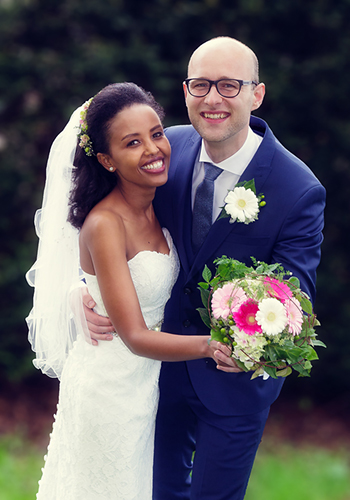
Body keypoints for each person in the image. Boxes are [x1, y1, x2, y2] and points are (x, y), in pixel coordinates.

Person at [85, 37, 326, 499]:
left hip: (233, 387)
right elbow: (109, 225)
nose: (212, 99)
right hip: (153, 373)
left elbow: (295, 296)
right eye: (200, 85)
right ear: (185, 91)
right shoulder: (161, 150)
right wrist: (86, 287)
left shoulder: (298, 189)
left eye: (229, 86)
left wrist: (257, 344)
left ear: (256, 95)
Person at [26, 82, 234, 500]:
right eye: (132, 143)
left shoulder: (161, 197)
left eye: (157, 134)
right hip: (109, 389)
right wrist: (212, 346)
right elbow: (136, 336)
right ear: (106, 159)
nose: (153, 150)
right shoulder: (105, 224)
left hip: (146, 386)